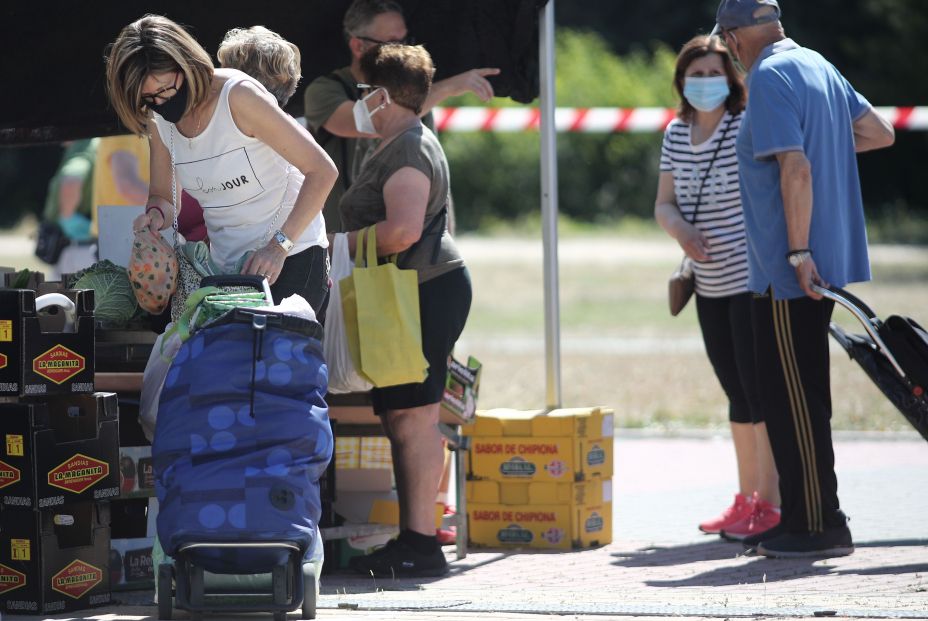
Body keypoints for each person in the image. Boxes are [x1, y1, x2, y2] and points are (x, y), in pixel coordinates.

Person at [711, 0, 895, 557]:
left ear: (737, 36)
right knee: (802, 392)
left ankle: (818, 524)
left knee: (792, 399)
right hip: (820, 263)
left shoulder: (768, 75)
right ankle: (805, 515)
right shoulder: (816, 63)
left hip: (790, 272)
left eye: (727, 42)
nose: (731, 55)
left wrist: (796, 252)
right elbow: (878, 131)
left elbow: (794, 167)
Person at [340, 43, 471, 577]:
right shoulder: (398, 142)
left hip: (423, 292)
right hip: (410, 294)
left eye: (364, 92)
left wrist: (337, 245)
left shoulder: (409, 149)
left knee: (414, 421)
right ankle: (412, 540)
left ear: (383, 96)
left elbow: (402, 231)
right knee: (401, 418)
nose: (359, 102)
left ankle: (422, 546)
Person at [105, 14, 337, 310]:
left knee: (265, 354)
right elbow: (163, 197)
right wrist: (154, 217)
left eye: (165, 90)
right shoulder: (159, 121)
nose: (161, 103)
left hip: (292, 256)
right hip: (227, 267)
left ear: (187, 64)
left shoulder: (238, 96)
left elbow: (322, 171)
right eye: (149, 98)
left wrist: (279, 246)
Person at [654, 34, 780, 541]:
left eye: (715, 73)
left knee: (759, 391)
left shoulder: (745, 125)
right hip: (708, 283)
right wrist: (680, 231)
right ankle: (745, 498)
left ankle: (771, 503)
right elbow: (663, 202)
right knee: (735, 394)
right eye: (697, 74)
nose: (706, 83)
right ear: (682, 80)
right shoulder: (675, 132)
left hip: (752, 282)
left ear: (732, 79)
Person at [304, 0, 499, 232]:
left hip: (416, 244)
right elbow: (361, 121)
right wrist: (448, 87)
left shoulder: (417, 91)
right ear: (358, 47)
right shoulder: (325, 89)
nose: (404, 49)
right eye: (393, 42)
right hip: (348, 243)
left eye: (406, 41)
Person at [39, 138, 99, 278]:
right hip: (84, 249)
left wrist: (68, 218)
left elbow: (71, 180)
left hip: (76, 249)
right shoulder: (93, 145)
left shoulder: (82, 148)